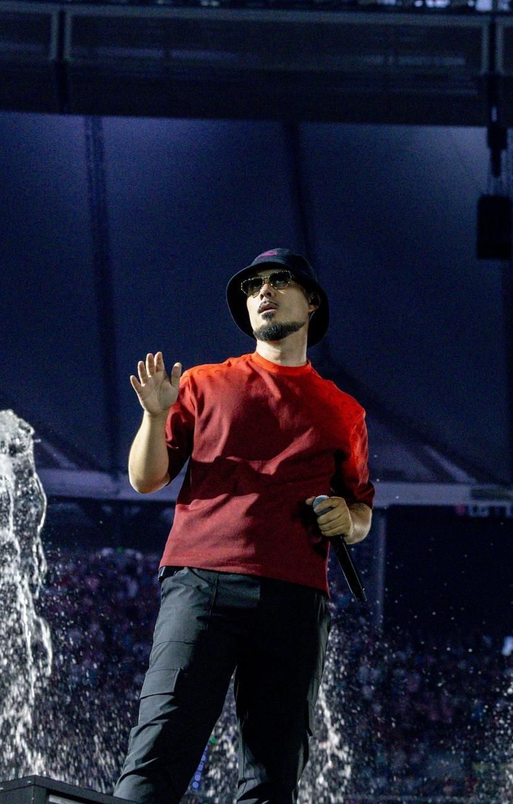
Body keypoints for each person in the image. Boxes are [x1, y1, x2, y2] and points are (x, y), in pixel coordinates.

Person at [114, 247, 375, 804]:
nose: (263, 291)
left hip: (297, 599)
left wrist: (345, 518)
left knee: (272, 776)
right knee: (158, 751)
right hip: (201, 582)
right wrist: (155, 415)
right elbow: (145, 479)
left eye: (280, 281)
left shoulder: (344, 411)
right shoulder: (204, 383)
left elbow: (360, 511)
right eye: (253, 285)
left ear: (312, 303)